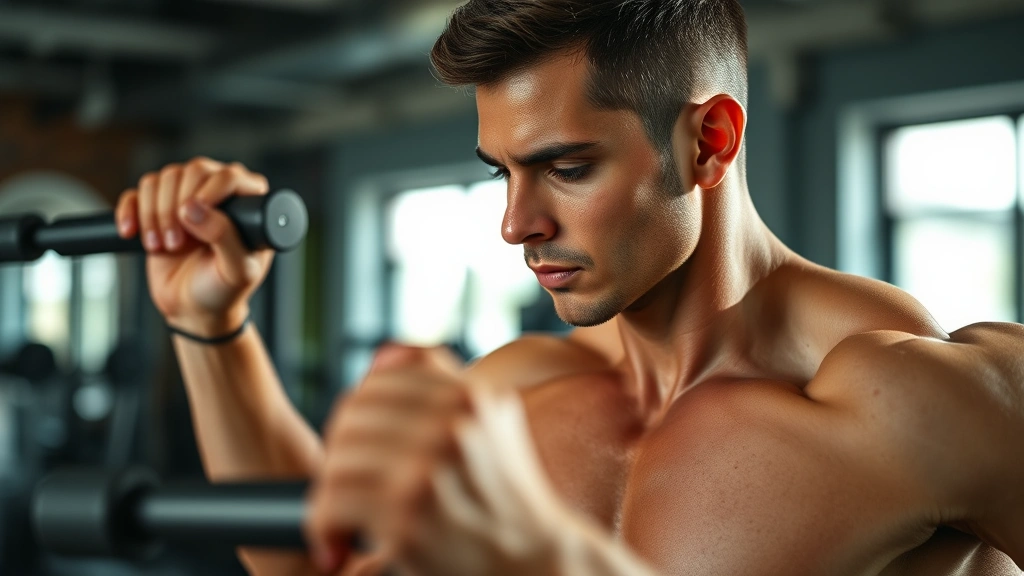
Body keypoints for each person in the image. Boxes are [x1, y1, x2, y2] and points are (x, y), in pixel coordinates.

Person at [115, 1, 1024, 575]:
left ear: (709, 142)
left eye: (566, 166)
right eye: (501, 174)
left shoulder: (920, 401)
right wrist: (213, 327)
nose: (515, 224)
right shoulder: (516, 393)